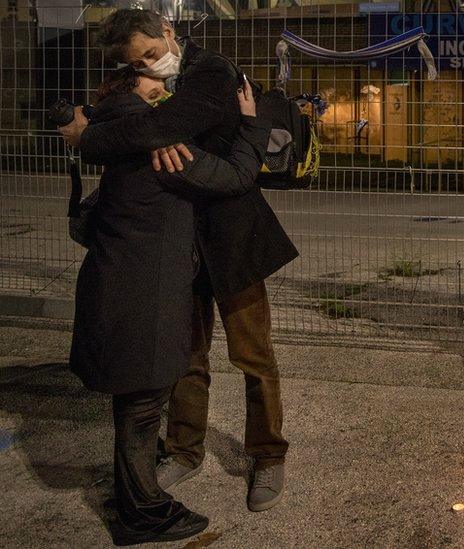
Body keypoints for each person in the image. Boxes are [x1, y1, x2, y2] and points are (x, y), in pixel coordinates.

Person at [58, 9, 297, 511]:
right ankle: (185, 450)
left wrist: (91, 139)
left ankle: (268, 455)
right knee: (186, 357)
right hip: (177, 245)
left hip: (233, 237)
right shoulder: (146, 91)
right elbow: (134, 116)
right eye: (138, 61)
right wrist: (146, 129)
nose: (150, 63)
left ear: (168, 30)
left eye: (151, 50)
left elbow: (166, 122)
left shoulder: (212, 70)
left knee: (253, 355)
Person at [69, 69, 269, 545]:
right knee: (141, 409)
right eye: (150, 83)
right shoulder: (162, 150)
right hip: (144, 298)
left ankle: (137, 499)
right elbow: (236, 176)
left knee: (132, 407)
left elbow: (84, 217)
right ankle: (142, 514)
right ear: (130, 91)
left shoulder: (112, 138)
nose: (163, 91)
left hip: (112, 290)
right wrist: (250, 122)